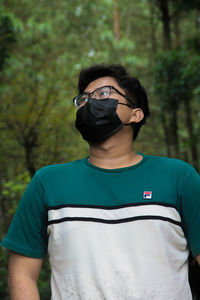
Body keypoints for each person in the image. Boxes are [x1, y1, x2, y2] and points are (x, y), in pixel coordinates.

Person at [1, 64, 200, 300]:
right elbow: (22, 274)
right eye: (83, 99)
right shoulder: (47, 181)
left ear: (136, 113)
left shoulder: (179, 176)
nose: (90, 102)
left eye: (103, 94)